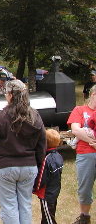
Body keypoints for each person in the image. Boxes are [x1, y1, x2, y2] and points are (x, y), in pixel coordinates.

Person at [0, 79, 46, 224]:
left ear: (10, 95)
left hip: (5, 167)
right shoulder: (35, 116)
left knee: (9, 206)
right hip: (28, 167)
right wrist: (38, 162)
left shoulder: (1, 116)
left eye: (6, 93)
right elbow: (42, 142)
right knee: (25, 205)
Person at [67, 84, 96, 224]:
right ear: (93, 95)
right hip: (86, 154)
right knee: (84, 188)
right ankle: (84, 217)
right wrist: (92, 141)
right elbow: (76, 130)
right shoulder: (80, 110)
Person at [33, 129, 63, 224]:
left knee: (49, 218)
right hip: (55, 191)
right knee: (48, 216)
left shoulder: (46, 159)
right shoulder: (59, 156)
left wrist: (34, 189)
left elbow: (41, 177)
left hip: (46, 193)